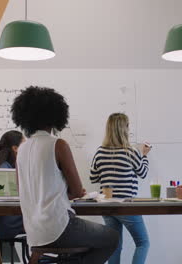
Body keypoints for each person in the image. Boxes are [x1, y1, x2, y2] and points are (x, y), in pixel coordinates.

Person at [11, 86, 119, 264]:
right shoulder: (58, 144)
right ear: (55, 115)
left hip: (34, 232)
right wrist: (65, 193)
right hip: (59, 227)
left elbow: (23, 190)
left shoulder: (22, 149)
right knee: (111, 237)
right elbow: (77, 191)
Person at [90, 113, 151, 264]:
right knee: (143, 243)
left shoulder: (100, 151)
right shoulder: (130, 151)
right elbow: (143, 172)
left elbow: (93, 178)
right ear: (125, 128)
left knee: (115, 246)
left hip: (107, 206)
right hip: (126, 206)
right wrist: (144, 155)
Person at [0, 130, 25, 240]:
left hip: (10, 221)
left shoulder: (6, 166)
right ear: (15, 149)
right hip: (10, 224)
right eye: (25, 145)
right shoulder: (4, 169)